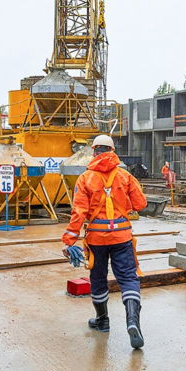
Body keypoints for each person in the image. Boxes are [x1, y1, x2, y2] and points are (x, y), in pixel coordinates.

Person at [62, 135, 148, 349]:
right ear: (112, 151)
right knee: (128, 278)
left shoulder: (85, 179)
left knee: (98, 278)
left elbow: (79, 212)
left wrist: (69, 239)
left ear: (94, 152)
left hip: (96, 239)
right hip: (122, 236)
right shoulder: (125, 176)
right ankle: (132, 322)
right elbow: (141, 204)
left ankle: (102, 321)